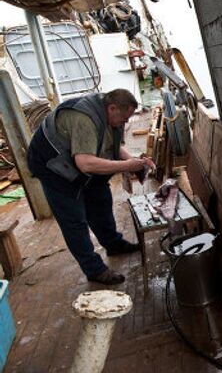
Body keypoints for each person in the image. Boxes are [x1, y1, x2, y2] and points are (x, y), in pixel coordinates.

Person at [27, 89, 155, 285]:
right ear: (112, 108)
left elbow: (111, 145)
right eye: (124, 120)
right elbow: (85, 163)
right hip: (52, 165)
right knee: (74, 219)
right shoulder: (85, 119)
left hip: (75, 158)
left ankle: (113, 243)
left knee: (100, 197)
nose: (126, 123)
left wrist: (135, 162)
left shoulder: (108, 111)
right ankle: (94, 270)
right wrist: (128, 166)